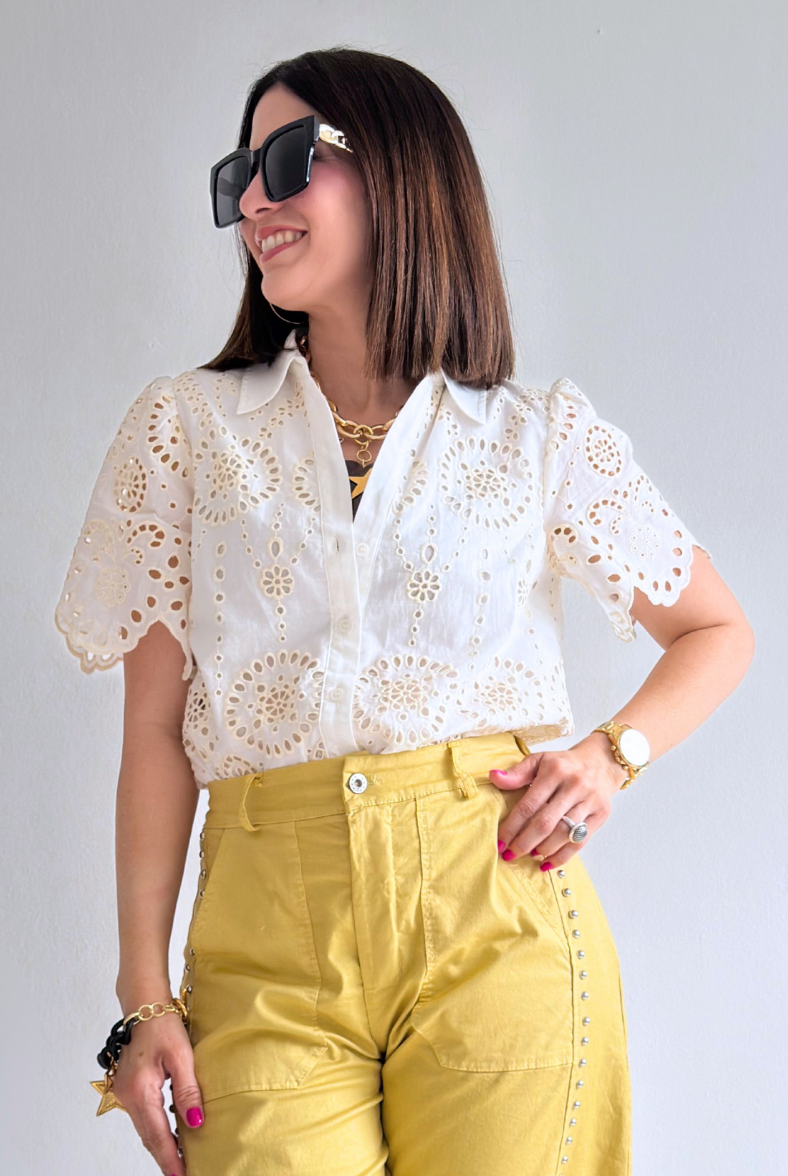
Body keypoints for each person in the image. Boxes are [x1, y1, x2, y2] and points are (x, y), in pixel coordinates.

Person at [54, 46, 754, 1176]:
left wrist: (609, 757)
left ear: (401, 172)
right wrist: (144, 998)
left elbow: (717, 631)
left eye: (290, 159)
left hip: (499, 918)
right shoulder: (185, 431)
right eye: (239, 175)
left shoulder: (535, 439)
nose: (255, 201)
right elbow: (154, 732)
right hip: (264, 943)